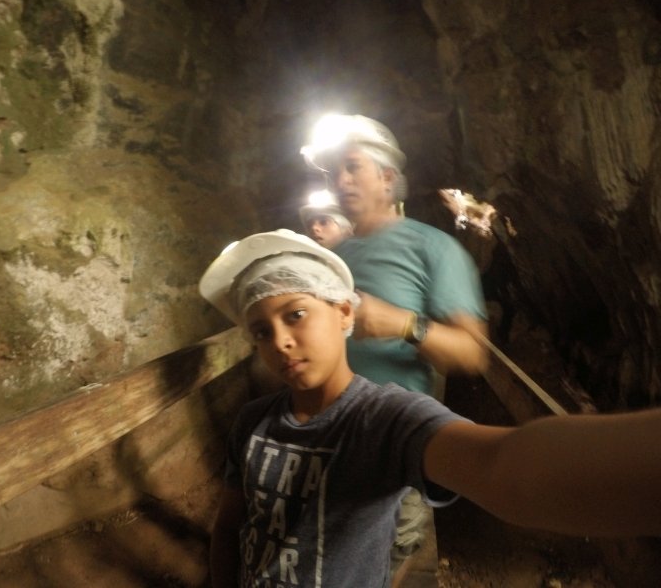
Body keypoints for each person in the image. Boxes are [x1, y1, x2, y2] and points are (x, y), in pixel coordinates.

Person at [199, 229, 661, 588]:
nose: (280, 340)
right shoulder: (253, 422)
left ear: (344, 314)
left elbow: (507, 468)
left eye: (296, 314)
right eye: (261, 331)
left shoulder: (384, 419)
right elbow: (231, 528)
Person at [301, 114, 490, 582]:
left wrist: (402, 323)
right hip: (328, 434)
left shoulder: (434, 248)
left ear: (387, 177)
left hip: (395, 441)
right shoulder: (334, 259)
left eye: (352, 167)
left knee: (392, 550)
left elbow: (472, 353)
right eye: (332, 172)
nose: (340, 181)